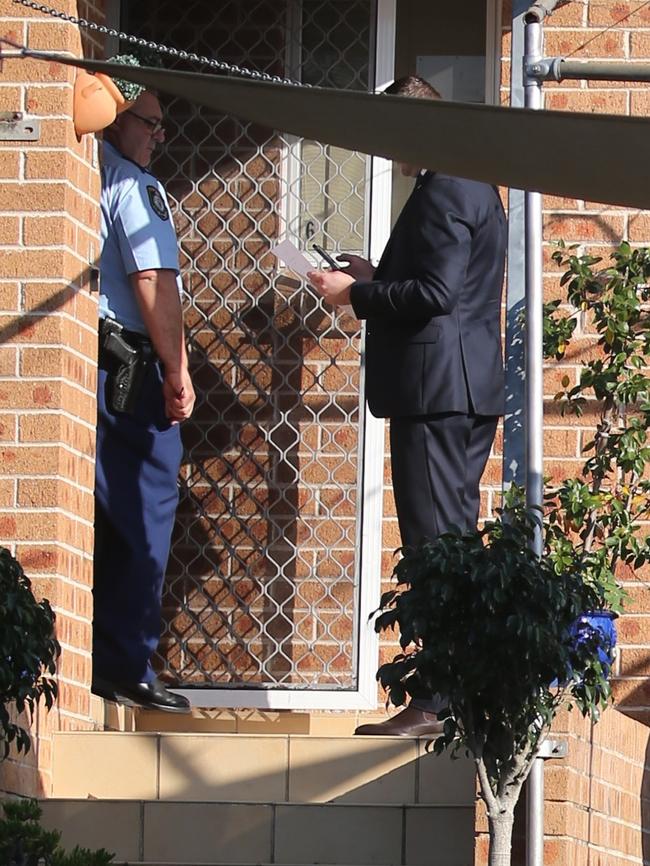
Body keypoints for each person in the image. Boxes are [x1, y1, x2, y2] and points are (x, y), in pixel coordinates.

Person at [308, 76, 507, 736]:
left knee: (436, 545)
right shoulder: (471, 178)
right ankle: (463, 692)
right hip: (461, 386)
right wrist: (372, 278)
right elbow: (436, 284)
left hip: (438, 391)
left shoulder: (447, 183)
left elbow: (437, 293)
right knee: (449, 535)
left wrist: (356, 296)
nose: (386, 152)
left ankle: (439, 699)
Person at [91, 89, 195, 713]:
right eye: (151, 125)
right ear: (117, 119)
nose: (159, 138)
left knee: (104, 514)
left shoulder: (87, 170)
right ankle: (127, 664)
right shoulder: (133, 184)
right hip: (130, 368)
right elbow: (153, 280)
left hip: (94, 364)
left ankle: (103, 657)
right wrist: (178, 371)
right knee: (146, 507)